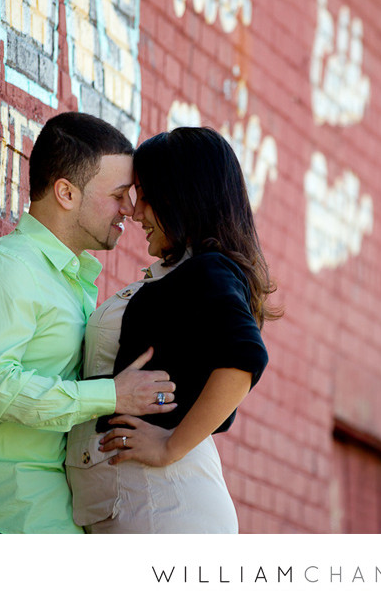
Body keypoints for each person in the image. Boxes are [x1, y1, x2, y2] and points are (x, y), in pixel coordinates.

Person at [0, 112, 177, 534]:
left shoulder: (69, 281)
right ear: (66, 192)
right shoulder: (9, 270)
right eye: (119, 194)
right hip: (0, 517)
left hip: (53, 517)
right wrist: (111, 395)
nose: (131, 209)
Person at [65, 127, 279, 533]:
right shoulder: (177, 275)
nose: (134, 211)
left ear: (182, 194)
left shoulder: (207, 270)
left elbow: (244, 358)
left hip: (164, 512)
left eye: (145, 194)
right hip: (139, 508)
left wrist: (169, 446)